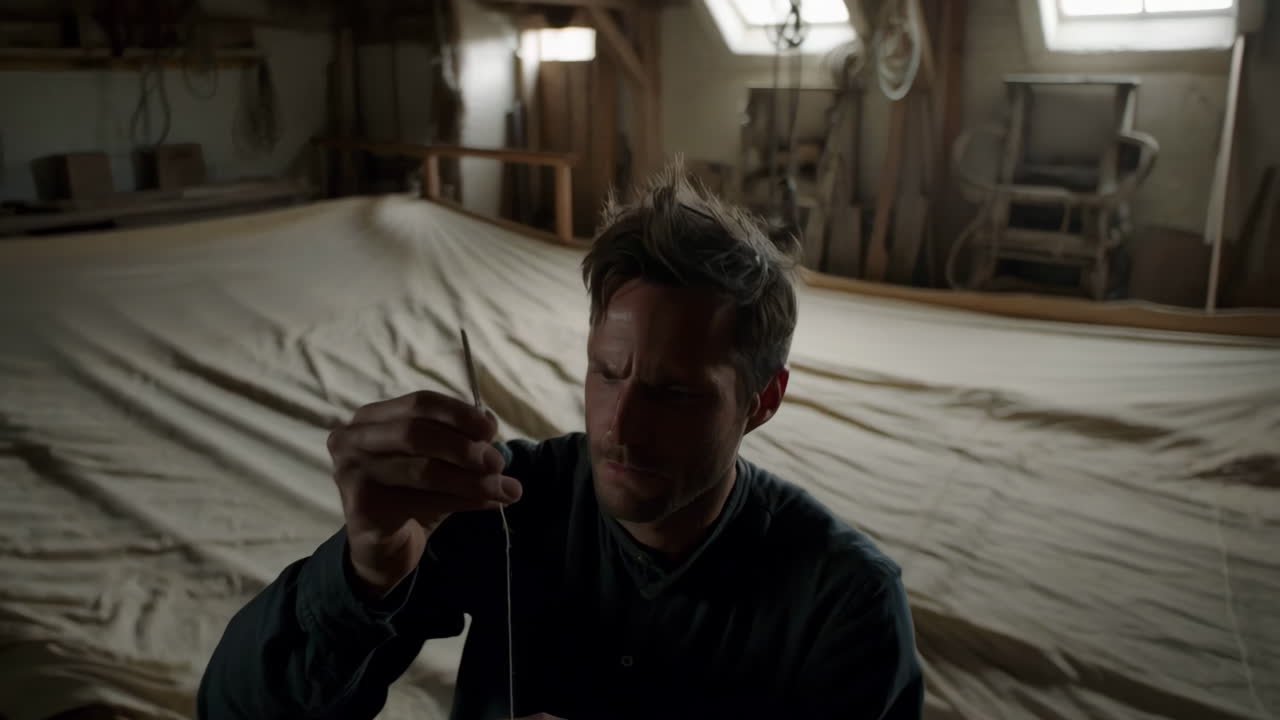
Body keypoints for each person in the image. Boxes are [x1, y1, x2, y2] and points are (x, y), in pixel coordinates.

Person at [198, 166, 923, 720]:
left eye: (674, 393)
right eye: (607, 373)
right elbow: (232, 710)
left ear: (762, 402)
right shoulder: (502, 503)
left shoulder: (845, 600)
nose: (619, 426)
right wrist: (365, 571)